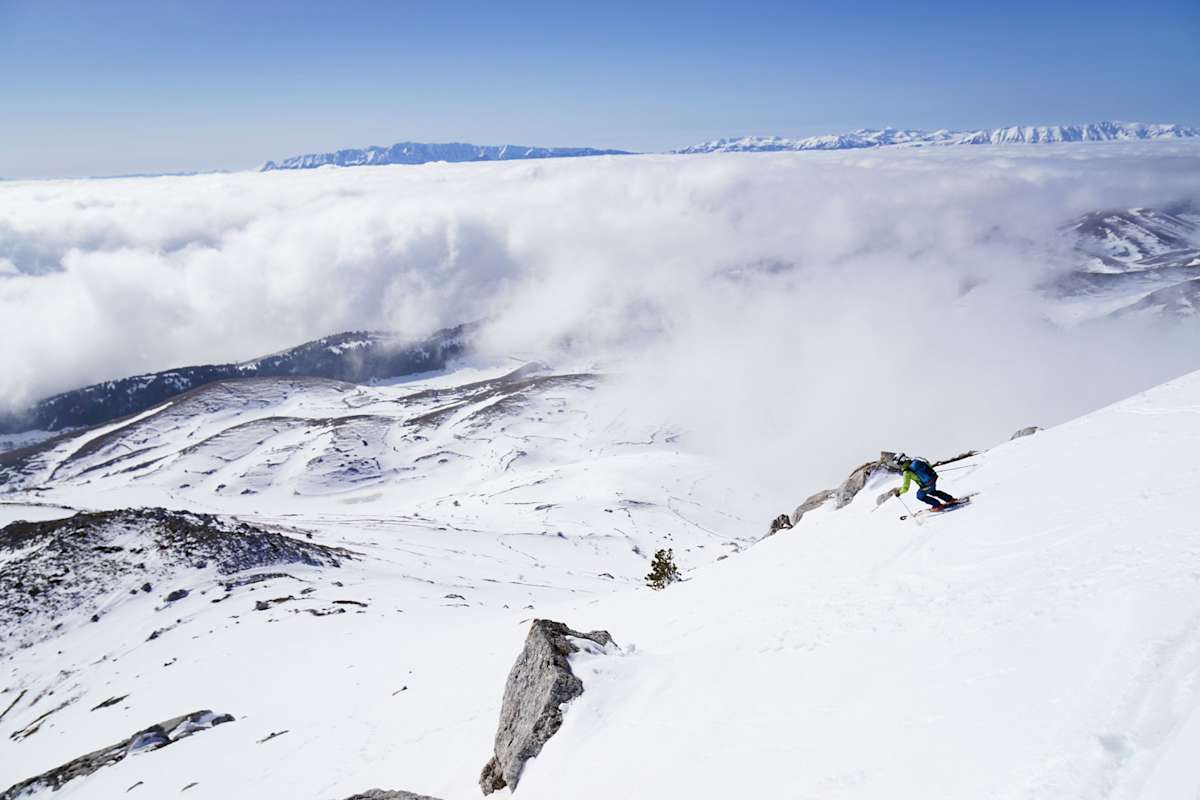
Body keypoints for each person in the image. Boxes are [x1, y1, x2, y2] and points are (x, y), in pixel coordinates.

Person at [891, 453, 959, 509]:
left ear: (900, 463)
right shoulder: (916, 461)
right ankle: (950, 499)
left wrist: (899, 493)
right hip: (933, 478)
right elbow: (928, 465)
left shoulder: (906, 472)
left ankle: (937, 505)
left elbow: (906, 488)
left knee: (920, 495)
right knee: (932, 491)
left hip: (927, 484)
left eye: (898, 464)